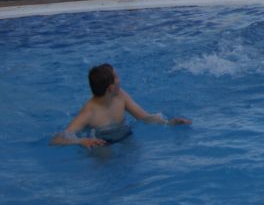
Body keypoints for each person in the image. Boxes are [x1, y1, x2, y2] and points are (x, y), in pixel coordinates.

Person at [50, 63, 190, 149]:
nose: (120, 79)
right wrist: (81, 141)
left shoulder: (120, 96)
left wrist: (169, 123)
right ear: (110, 88)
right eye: (116, 77)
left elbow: (144, 117)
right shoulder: (89, 113)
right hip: (101, 142)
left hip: (125, 134)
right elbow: (57, 139)